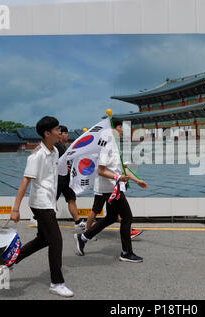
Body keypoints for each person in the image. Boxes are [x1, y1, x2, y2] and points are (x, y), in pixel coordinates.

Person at [10, 116, 74, 298]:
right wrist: (15, 209)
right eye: (57, 130)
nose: (59, 133)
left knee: (44, 239)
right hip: (40, 203)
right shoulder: (36, 155)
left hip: (49, 201)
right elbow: (25, 181)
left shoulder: (54, 151)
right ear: (47, 133)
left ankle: (11, 260)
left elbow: (54, 174)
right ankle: (57, 282)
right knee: (56, 241)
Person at [74, 120, 147, 262]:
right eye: (120, 128)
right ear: (113, 128)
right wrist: (118, 177)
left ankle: (83, 237)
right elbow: (101, 171)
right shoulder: (107, 146)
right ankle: (126, 252)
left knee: (111, 217)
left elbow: (122, 168)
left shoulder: (115, 146)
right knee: (127, 217)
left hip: (113, 188)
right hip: (109, 189)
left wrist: (137, 180)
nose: (122, 131)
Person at [55, 125, 81, 231]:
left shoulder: (63, 146)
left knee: (71, 199)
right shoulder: (55, 146)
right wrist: (62, 166)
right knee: (52, 200)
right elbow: (51, 161)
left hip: (66, 178)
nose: (67, 135)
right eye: (66, 133)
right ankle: (38, 218)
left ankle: (78, 221)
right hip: (58, 179)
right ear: (61, 134)